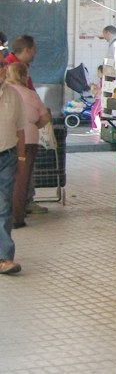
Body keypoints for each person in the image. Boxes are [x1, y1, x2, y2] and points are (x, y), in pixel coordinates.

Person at [6, 63, 50, 230]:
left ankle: (9, 214)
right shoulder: (30, 94)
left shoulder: (7, 92)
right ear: (24, 76)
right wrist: (33, 125)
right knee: (22, 179)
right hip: (28, 141)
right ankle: (17, 216)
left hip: (7, 140)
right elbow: (45, 117)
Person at [4, 36, 44, 216]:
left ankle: (16, 210)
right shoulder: (11, 70)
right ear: (27, 50)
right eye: (34, 49)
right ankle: (17, 211)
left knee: (19, 177)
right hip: (12, 140)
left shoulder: (18, 68)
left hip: (18, 139)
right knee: (19, 177)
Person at [0, 58, 26, 274]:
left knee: (4, 206)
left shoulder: (14, 95)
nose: (1, 70)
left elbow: (20, 129)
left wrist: (21, 157)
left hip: (7, 156)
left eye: (2, 66)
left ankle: (4, 257)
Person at [88, 65, 104, 134]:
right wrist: (94, 85)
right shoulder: (101, 80)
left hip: (100, 99)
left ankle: (96, 128)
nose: (97, 74)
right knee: (100, 113)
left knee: (94, 112)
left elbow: (101, 89)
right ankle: (99, 127)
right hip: (99, 99)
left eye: (98, 72)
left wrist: (95, 90)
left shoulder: (103, 80)